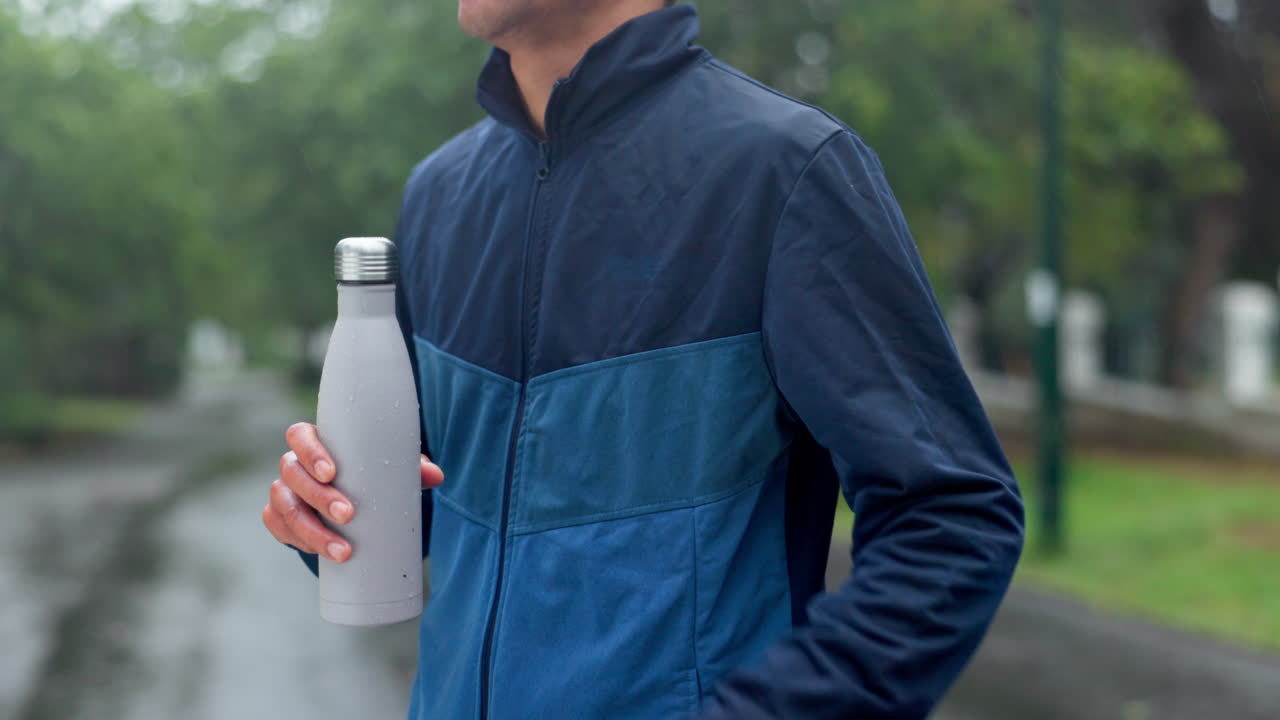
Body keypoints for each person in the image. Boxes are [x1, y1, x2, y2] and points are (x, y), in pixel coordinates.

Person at [262, 1, 1025, 717]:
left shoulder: (785, 172)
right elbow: (453, 501)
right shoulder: (440, 195)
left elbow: (951, 517)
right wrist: (325, 513)